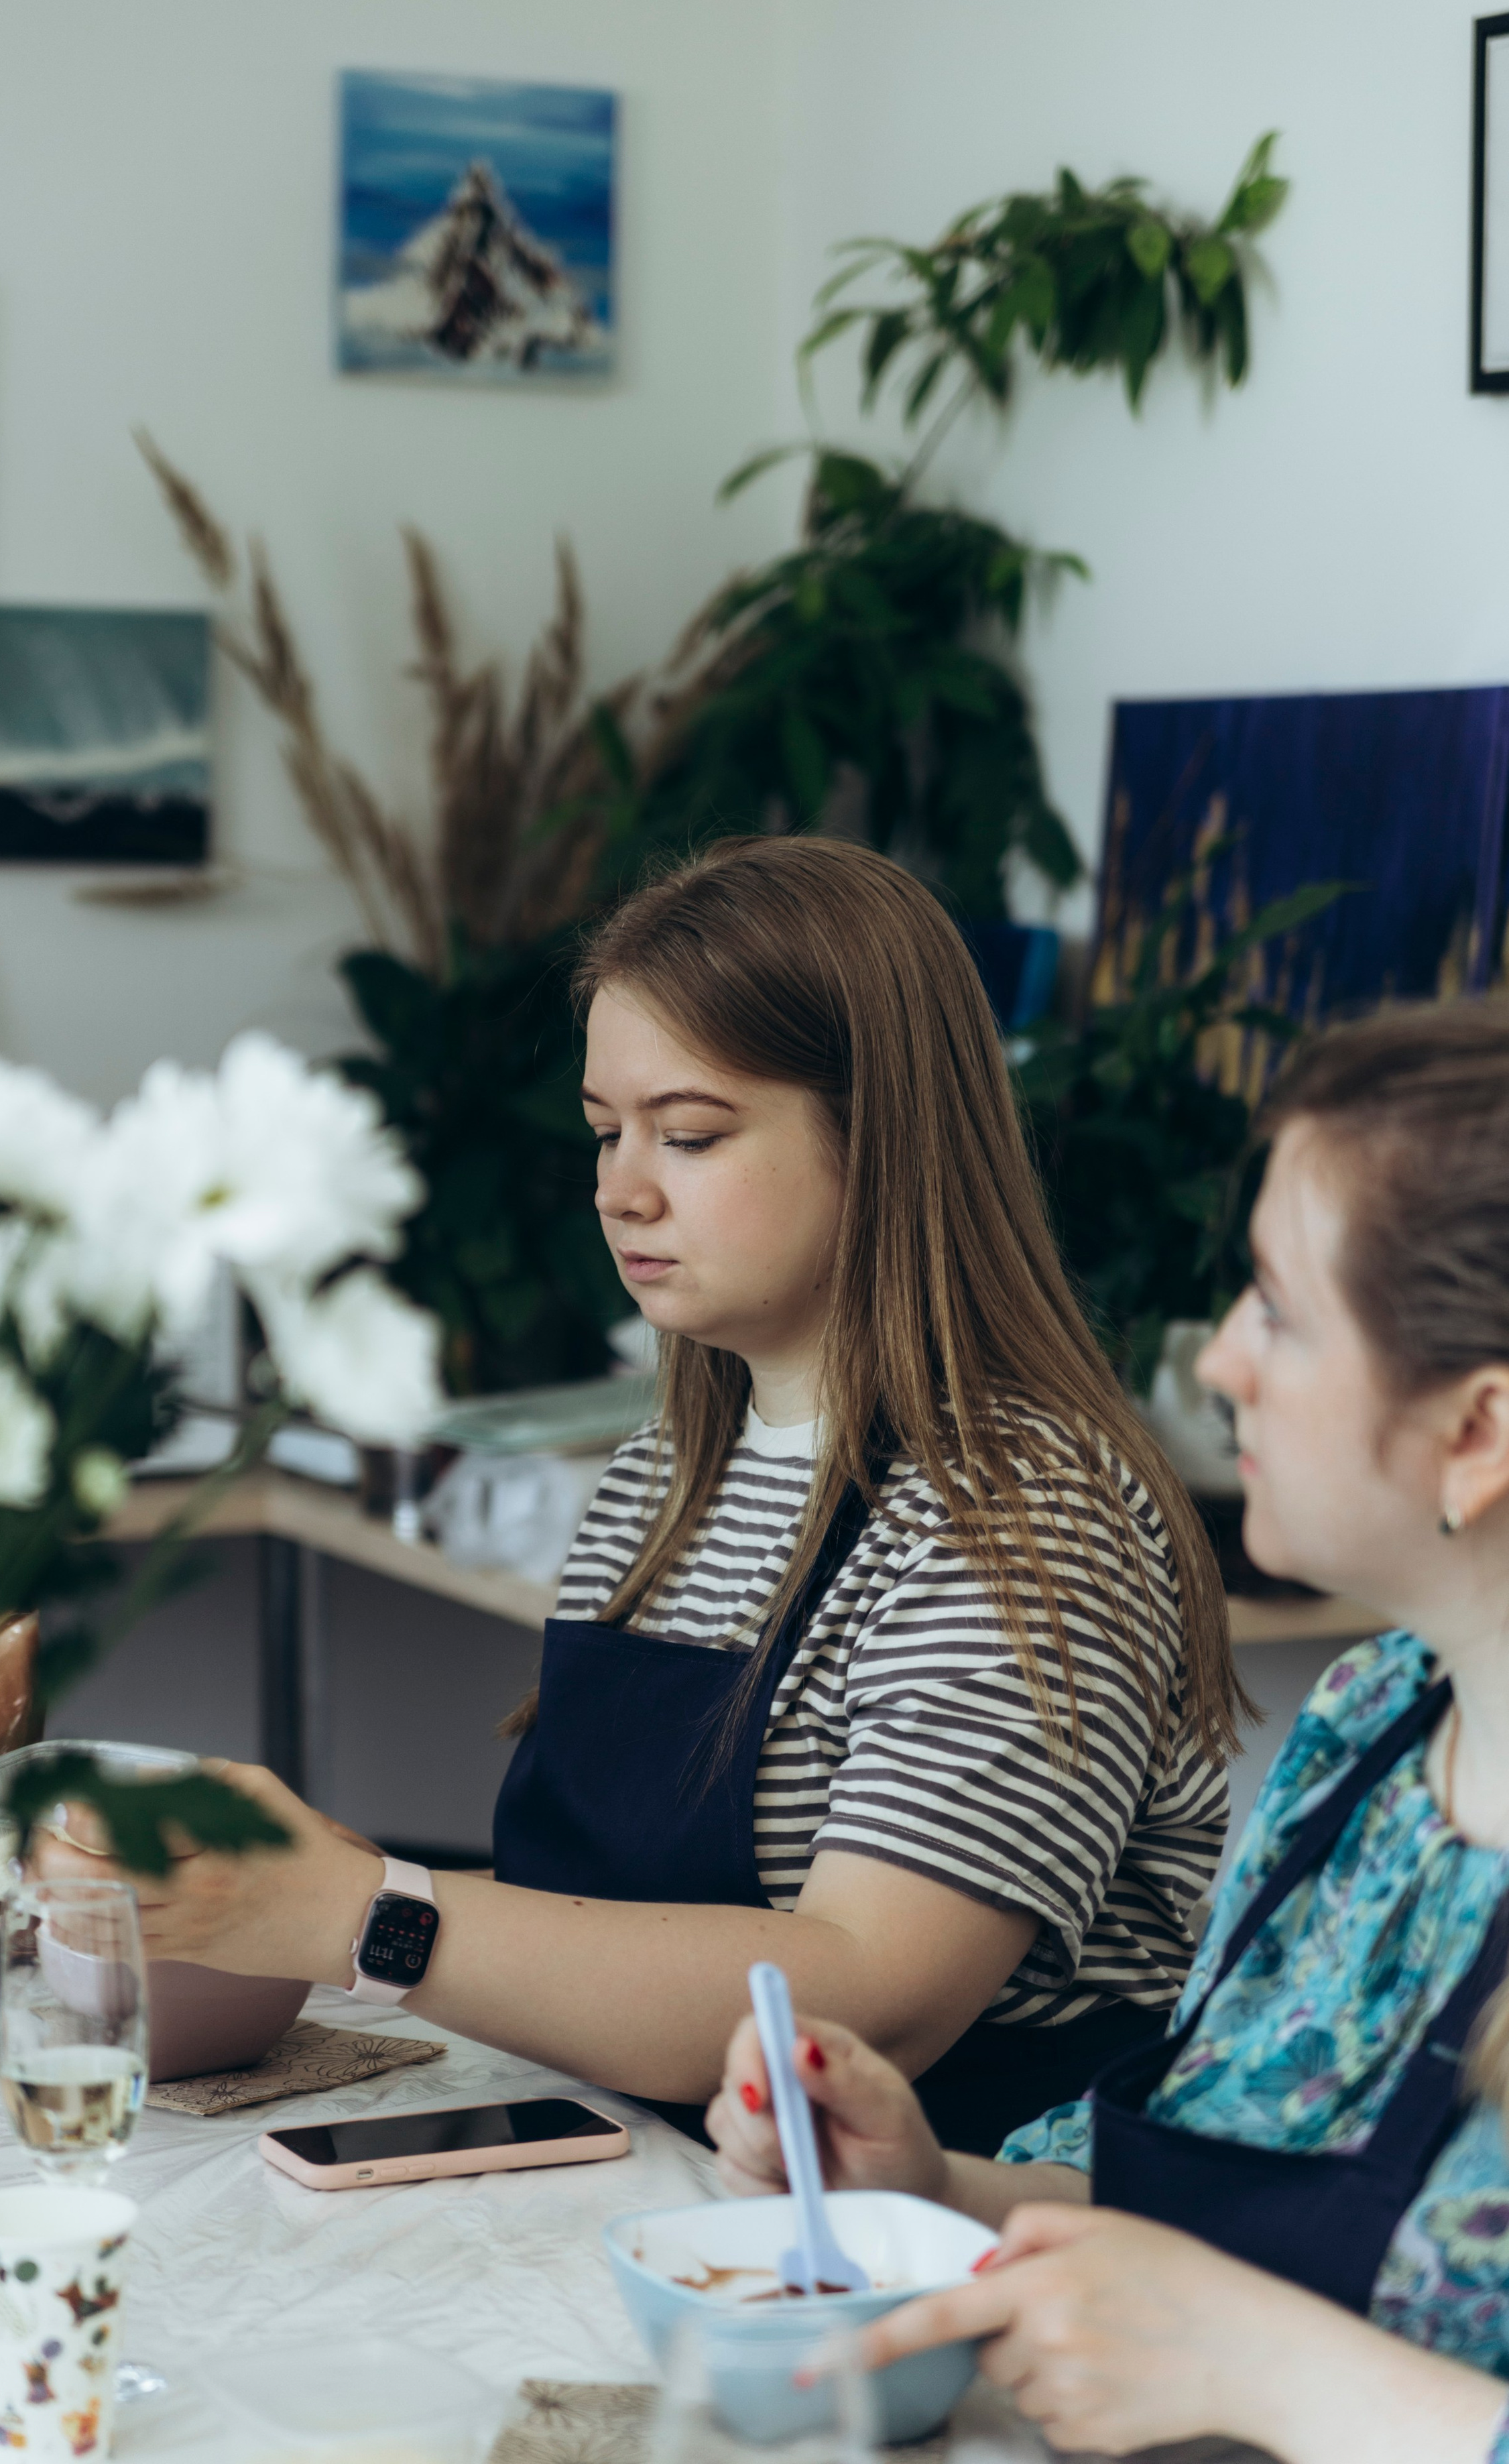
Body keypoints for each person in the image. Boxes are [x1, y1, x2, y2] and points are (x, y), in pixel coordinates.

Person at [41, 836, 1239, 2144]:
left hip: (912, 2233)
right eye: (606, 1133)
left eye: (691, 1133)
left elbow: (872, 2007)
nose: (621, 1190)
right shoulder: (663, 1478)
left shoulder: (1017, 1520)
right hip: (633, 2167)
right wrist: (280, 1889)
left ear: (881, 1135)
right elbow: (600, 1919)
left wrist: (362, 1911)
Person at [705, 996, 1509, 2457]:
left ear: (1474, 1432)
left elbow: (1258, 2326)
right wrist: (934, 2192)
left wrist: (1271, 2374)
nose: (1216, 1365)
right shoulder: (1369, 1730)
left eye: (1276, 1308)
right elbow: (1199, 2175)